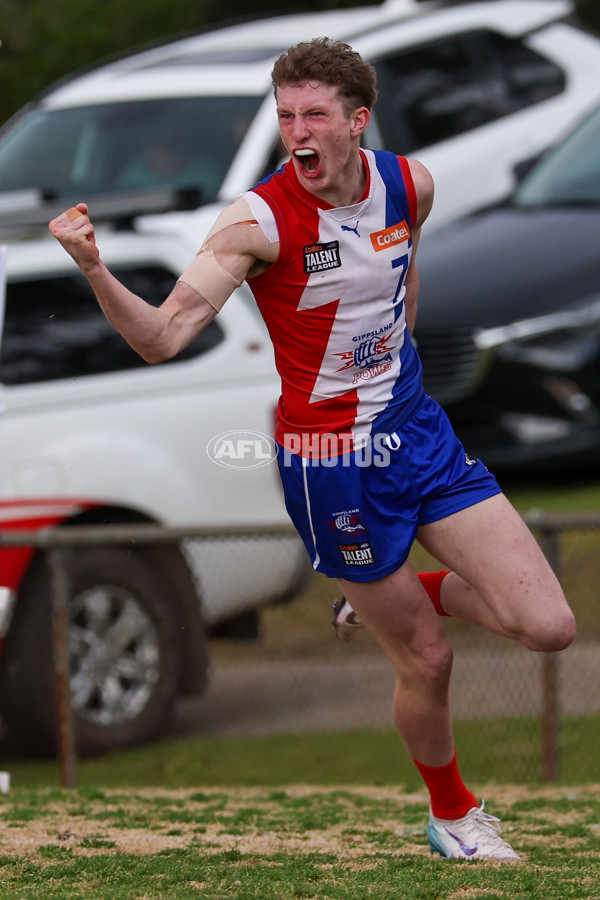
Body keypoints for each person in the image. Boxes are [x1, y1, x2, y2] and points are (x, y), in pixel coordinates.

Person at [49, 37, 576, 862]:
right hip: (331, 468)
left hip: (417, 435)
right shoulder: (256, 221)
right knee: (428, 662)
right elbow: (161, 336)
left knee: (549, 626)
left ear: (356, 122)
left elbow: (400, 285)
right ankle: (453, 815)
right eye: (286, 114)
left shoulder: (411, 184)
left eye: (315, 115)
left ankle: (383, 596)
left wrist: (400, 366)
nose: (298, 130)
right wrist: (93, 268)